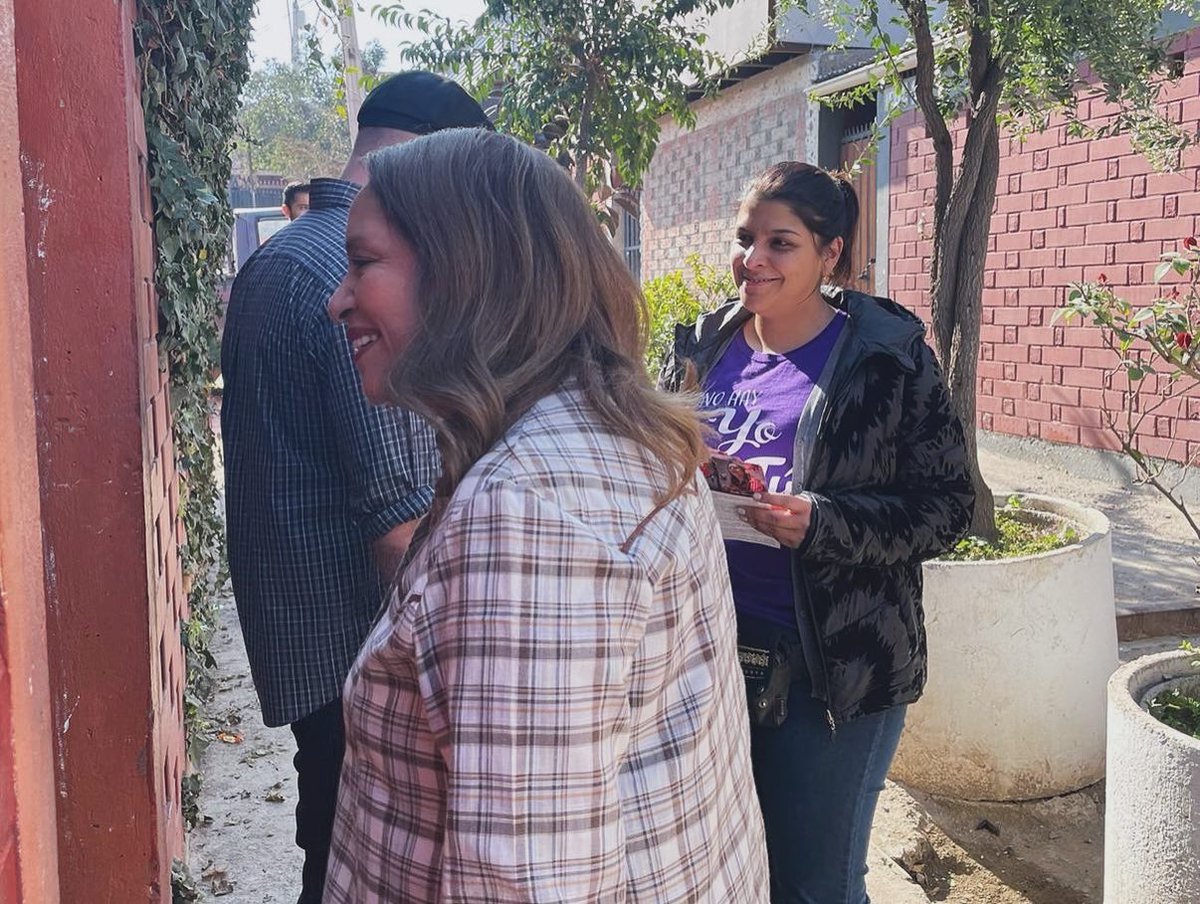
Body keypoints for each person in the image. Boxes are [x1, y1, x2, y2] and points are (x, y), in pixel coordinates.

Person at [322, 128, 770, 903]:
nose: (337, 300)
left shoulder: (526, 511)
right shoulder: (610, 435)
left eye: (363, 263)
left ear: (467, 273)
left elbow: (527, 884)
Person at [661, 161, 975, 903]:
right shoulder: (705, 348)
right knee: (731, 867)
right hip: (707, 648)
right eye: (745, 238)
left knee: (812, 885)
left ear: (831, 253)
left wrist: (824, 523)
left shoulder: (886, 360)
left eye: (781, 243)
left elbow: (948, 505)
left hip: (830, 665)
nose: (753, 259)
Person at [219, 72, 494, 904]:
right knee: (362, 865)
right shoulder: (357, 270)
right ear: (431, 160)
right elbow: (400, 520)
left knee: (331, 849)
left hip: (306, 638)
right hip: (362, 650)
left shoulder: (280, 256)